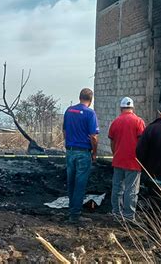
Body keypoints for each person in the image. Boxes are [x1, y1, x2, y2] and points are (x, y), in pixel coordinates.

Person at [63, 88, 99, 223]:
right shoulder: (90, 114)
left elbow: (65, 131)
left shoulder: (69, 111)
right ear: (91, 100)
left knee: (71, 182)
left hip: (70, 151)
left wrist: (68, 146)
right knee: (80, 183)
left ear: (79, 97)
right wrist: (94, 153)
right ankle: (75, 215)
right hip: (83, 153)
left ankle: (72, 209)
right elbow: (93, 137)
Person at [108, 97, 145, 221]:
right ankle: (129, 216)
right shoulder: (138, 122)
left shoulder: (115, 122)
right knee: (131, 189)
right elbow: (142, 142)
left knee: (117, 188)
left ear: (121, 108)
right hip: (134, 162)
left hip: (118, 160)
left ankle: (116, 214)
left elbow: (112, 143)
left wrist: (116, 154)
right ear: (132, 108)